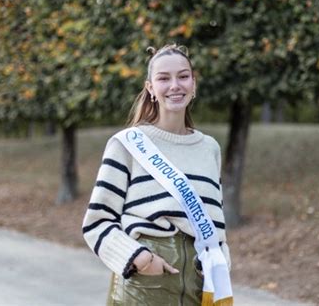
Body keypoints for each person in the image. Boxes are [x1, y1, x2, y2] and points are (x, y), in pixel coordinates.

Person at [82, 44, 231, 306]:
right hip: (146, 282)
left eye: (183, 76)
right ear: (151, 88)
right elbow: (97, 222)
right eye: (164, 78)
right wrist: (141, 260)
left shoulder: (210, 149)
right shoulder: (126, 144)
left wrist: (220, 269)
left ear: (193, 84)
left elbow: (216, 225)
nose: (175, 85)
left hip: (201, 285)